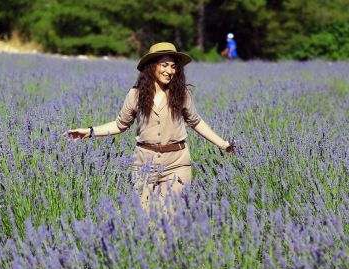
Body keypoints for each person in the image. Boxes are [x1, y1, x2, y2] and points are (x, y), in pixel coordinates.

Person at [66, 42, 235, 210]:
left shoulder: (181, 93)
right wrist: (89, 132)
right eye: (164, 65)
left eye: (174, 67)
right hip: (144, 165)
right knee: (147, 222)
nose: (169, 71)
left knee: (171, 218)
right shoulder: (135, 95)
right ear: (152, 66)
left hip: (176, 163)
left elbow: (196, 122)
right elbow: (120, 125)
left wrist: (223, 144)